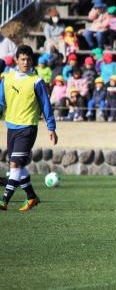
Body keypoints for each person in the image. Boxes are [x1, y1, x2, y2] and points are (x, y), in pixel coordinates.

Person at [0, 45, 58, 211]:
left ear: (32, 61)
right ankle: (32, 197)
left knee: (15, 165)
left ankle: (4, 200)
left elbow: (46, 105)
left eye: (28, 59)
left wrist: (51, 127)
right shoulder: (7, 79)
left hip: (28, 128)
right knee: (18, 166)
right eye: (23, 59)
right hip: (11, 127)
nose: (26, 62)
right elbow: (0, 102)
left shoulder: (36, 81)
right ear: (17, 60)